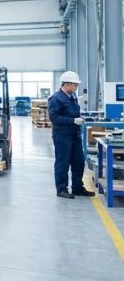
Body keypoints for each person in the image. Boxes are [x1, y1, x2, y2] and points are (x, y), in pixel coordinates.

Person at [47, 71, 93, 199]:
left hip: (74, 135)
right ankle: (61, 189)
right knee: (63, 162)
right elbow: (54, 118)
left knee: (78, 162)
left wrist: (79, 118)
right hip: (62, 136)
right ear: (66, 84)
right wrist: (72, 120)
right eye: (74, 85)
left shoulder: (73, 97)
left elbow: (72, 113)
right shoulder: (56, 98)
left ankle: (77, 188)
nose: (76, 87)